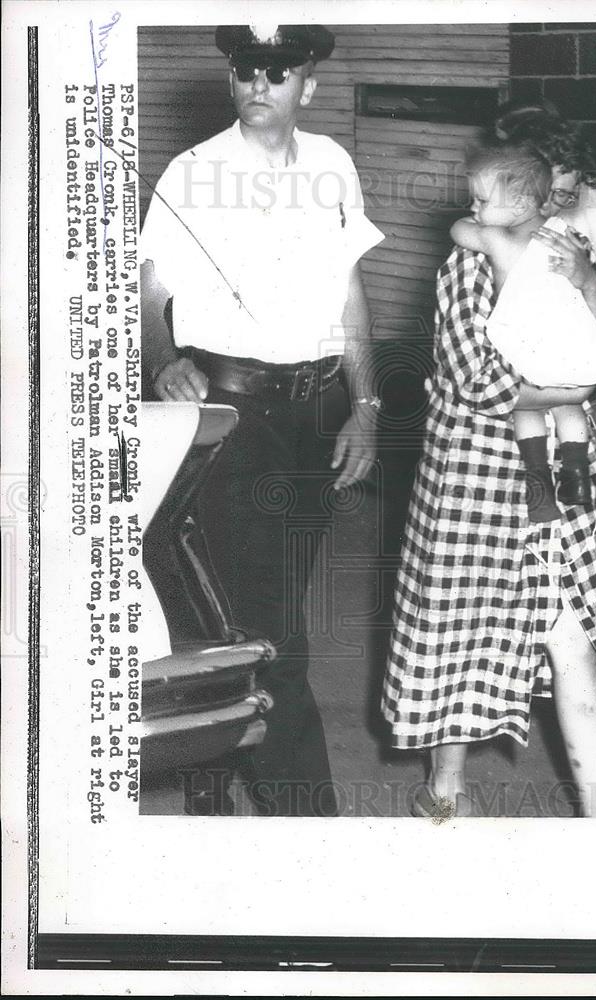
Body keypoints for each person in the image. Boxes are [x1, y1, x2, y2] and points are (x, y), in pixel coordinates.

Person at [140, 24, 384, 816]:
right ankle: (308, 823)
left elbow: (349, 295)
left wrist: (368, 410)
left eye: (278, 71)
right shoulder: (192, 171)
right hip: (233, 412)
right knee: (273, 630)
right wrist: (162, 357)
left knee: (263, 611)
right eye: (247, 68)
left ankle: (217, 780)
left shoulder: (333, 166)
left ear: (307, 86)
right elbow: (149, 287)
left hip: (316, 413)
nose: (259, 82)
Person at [382, 133, 596, 820]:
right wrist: (565, 392)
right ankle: (445, 790)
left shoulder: (567, 259)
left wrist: (588, 287)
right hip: (472, 479)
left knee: (575, 639)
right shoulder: (466, 268)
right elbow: (479, 383)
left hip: (554, 490)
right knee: (458, 633)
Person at [449, 139, 596, 519]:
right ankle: (575, 472)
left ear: (522, 204)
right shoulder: (569, 237)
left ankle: (539, 482)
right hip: (578, 355)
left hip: (530, 356)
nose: (473, 209)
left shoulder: (497, 239)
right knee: (568, 402)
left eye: (481, 201)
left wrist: (465, 221)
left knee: (527, 412)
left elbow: (459, 232)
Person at [493, 101, 596, 263]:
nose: (545, 203)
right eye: (539, 188)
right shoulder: (495, 211)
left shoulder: (592, 193)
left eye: (560, 193)